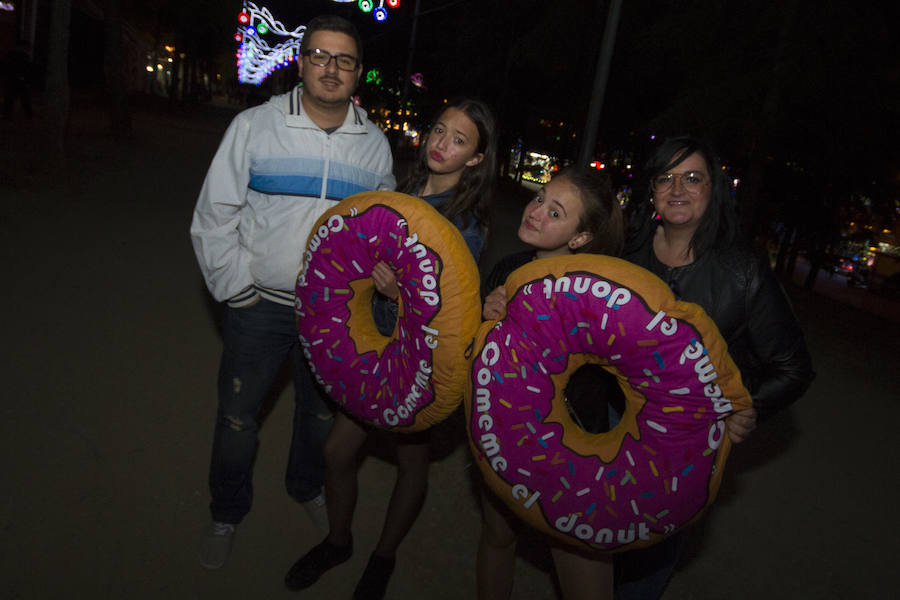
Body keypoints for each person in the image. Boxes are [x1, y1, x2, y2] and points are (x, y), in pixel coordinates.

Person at [190, 15, 395, 570]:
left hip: (334, 316)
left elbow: (381, 231)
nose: (331, 69)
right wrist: (238, 291)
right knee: (238, 418)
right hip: (261, 309)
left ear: (358, 74)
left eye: (344, 60)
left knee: (320, 419)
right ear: (301, 62)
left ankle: (306, 486)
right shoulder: (255, 126)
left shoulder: (373, 147)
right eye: (321, 56)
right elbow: (215, 215)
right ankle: (226, 511)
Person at [284, 97, 498, 599]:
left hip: (419, 363)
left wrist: (400, 292)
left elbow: (451, 310)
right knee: (338, 452)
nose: (442, 144)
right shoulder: (398, 190)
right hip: (370, 347)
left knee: (412, 463)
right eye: (439, 130)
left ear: (477, 158)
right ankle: (339, 542)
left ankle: (383, 556)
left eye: (459, 140)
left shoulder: (466, 225)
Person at [615, 135, 815, 598]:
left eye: (692, 178)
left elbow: (793, 366)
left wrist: (748, 409)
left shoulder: (743, 271)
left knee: (644, 561)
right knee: (597, 541)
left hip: (685, 445)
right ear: (651, 189)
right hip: (611, 420)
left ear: (714, 189)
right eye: (665, 177)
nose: (677, 188)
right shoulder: (625, 249)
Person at [478, 167, 625, 600]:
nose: (536, 212)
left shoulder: (602, 296)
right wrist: (486, 323)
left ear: (579, 238)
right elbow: (476, 362)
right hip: (503, 432)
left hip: (573, 451)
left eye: (555, 211)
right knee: (497, 536)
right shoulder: (507, 269)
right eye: (540, 197)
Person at [2, 40, 33, 120]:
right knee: (24, 98)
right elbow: (27, 69)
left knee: (9, 98)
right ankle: (29, 115)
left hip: (11, 78)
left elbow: (5, 66)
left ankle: (7, 114)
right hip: (19, 79)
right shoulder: (24, 56)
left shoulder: (10, 54)